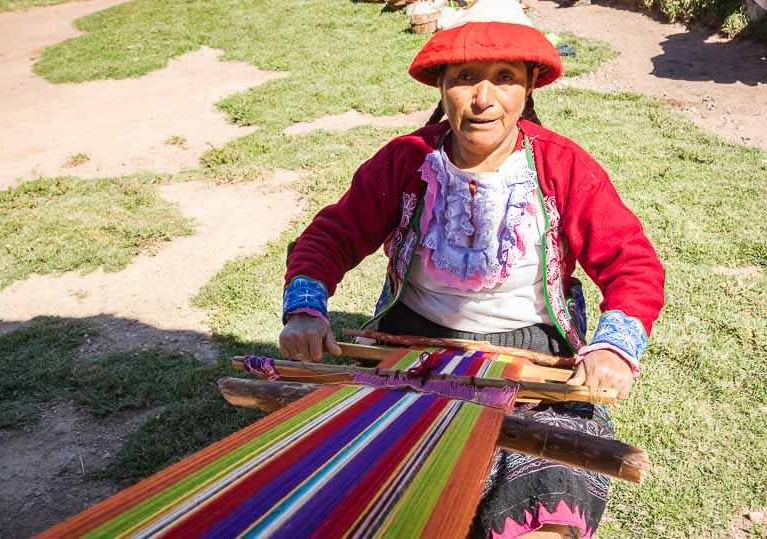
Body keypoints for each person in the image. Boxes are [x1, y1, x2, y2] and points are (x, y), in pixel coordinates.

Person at [278, 1, 665, 537]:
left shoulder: (562, 165)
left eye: (504, 79)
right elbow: (332, 236)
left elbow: (632, 264)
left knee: (544, 503)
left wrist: (613, 347)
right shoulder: (406, 160)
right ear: (441, 87)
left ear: (528, 87)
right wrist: (305, 310)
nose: (483, 99)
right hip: (411, 343)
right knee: (370, 490)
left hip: (534, 355)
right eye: (464, 79)